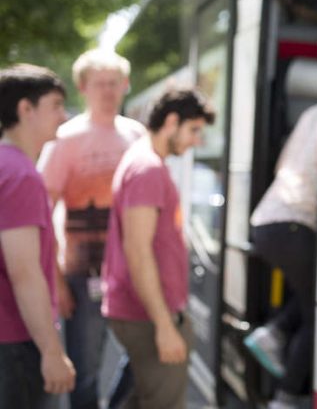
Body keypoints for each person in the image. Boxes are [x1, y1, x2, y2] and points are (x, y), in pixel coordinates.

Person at [38, 49, 144, 409]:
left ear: (126, 85)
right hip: (83, 274)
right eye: (100, 84)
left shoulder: (136, 136)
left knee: (145, 355)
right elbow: (43, 212)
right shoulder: (65, 139)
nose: (108, 91)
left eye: (114, 83)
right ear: (83, 87)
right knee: (84, 370)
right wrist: (56, 280)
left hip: (132, 270)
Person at [101, 87, 215, 409]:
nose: (196, 141)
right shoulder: (147, 168)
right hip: (148, 316)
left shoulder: (145, 161)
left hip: (145, 311)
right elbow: (138, 251)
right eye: (193, 130)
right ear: (171, 121)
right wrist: (165, 326)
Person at [0, 64, 75, 407]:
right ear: (25, 109)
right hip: (17, 343)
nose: (64, 115)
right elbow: (24, 271)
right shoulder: (20, 175)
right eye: (56, 105)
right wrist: (51, 351)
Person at [243, 103, 317, 409]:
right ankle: (286, 397)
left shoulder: (311, 113)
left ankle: (275, 331)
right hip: (295, 224)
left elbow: (283, 165)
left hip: (267, 220)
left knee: (309, 296)